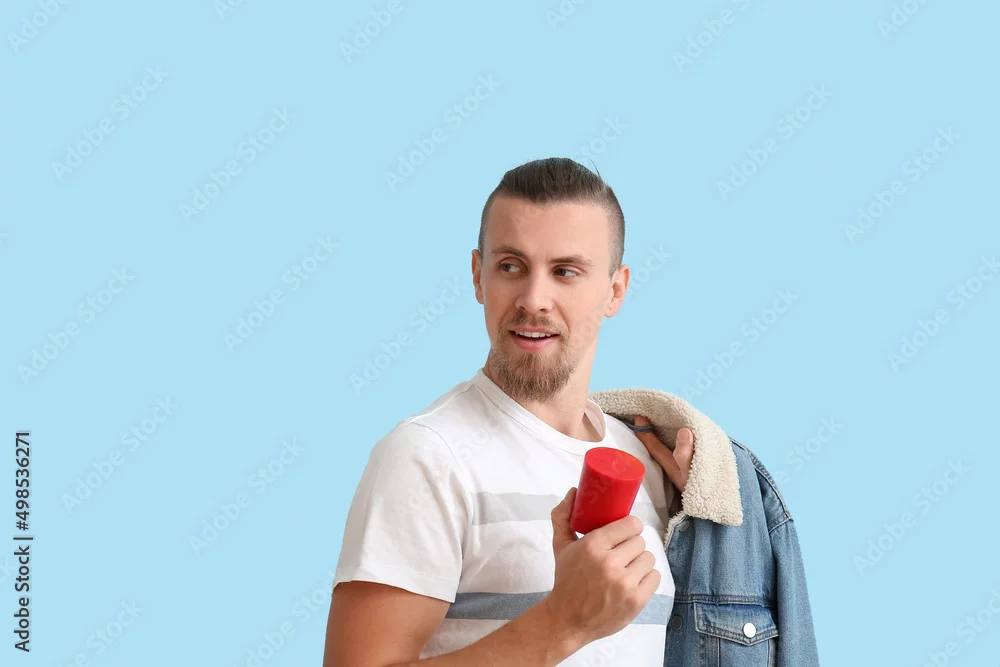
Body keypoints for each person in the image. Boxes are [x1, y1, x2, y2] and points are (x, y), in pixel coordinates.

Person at [323, 157, 694, 667]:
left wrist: (697, 513)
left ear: (615, 290)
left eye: (565, 272)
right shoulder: (428, 457)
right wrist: (561, 624)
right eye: (511, 267)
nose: (534, 299)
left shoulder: (645, 463)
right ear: (479, 277)